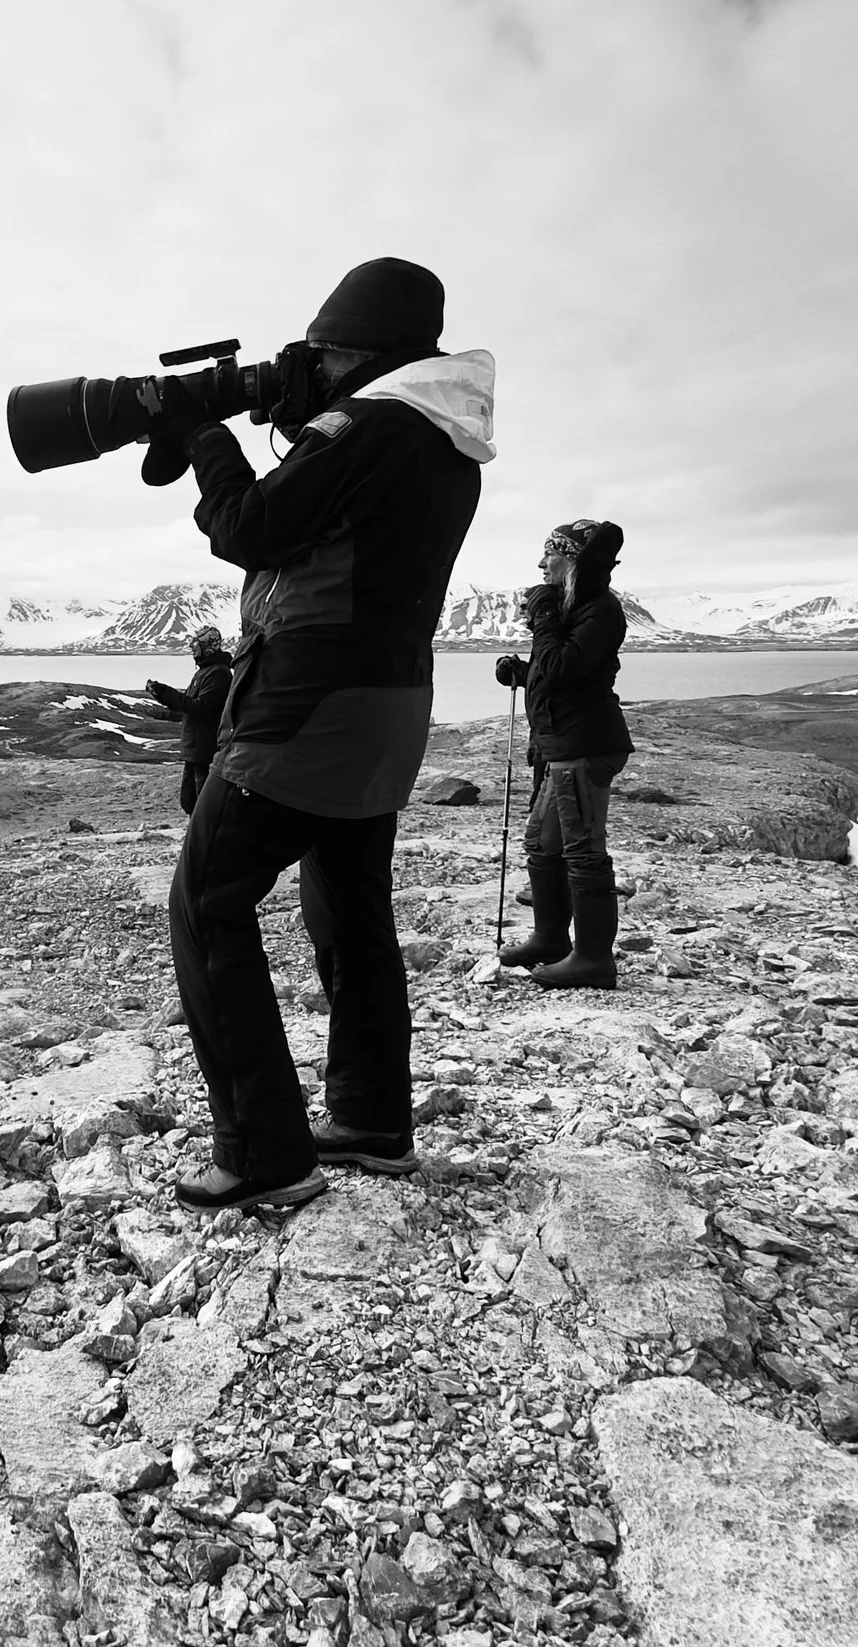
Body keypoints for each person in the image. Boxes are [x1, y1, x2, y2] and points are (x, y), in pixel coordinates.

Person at [139, 258, 494, 1210]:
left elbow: (250, 524)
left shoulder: (369, 422)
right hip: (387, 710)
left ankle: (263, 1150)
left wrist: (209, 431)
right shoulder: (441, 437)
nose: (314, 366)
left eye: (327, 350)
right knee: (350, 908)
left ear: (364, 352)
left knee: (207, 901)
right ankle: (373, 1117)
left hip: (308, 706)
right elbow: (321, 525)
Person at [497, 520, 634, 990]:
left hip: (586, 746)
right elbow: (557, 668)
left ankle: (594, 958)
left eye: (550, 554)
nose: (541, 564)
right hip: (564, 747)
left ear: (571, 560)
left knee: (582, 851)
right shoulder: (578, 608)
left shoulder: (600, 611)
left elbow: (560, 667)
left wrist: (543, 619)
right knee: (542, 843)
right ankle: (551, 938)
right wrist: (523, 671)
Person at [143, 626, 234, 814]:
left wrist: (165, 692)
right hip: (195, 750)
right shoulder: (206, 672)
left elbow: (200, 708)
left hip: (205, 750)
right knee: (191, 801)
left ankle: (206, 841)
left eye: (196, 643)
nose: (192, 647)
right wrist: (160, 707)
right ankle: (198, 838)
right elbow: (189, 709)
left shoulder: (218, 673)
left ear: (207, 646)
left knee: (203, 806)